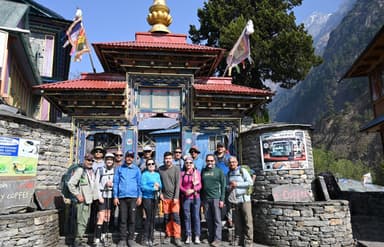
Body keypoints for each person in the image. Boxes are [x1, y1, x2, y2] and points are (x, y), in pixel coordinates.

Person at [67, 153, 99, 247]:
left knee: (84, 220)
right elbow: (71, 184)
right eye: (88, 160)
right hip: (82, 200)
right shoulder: (80, 170)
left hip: (89, 200)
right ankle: (77, 242)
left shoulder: (91, 171)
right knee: (82, 221)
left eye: (92, 160)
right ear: (84, 160)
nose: (90, 162)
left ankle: (79, 240)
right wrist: (77, 195)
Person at [113, 151, 142, 247]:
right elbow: (116, 183)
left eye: (131, 157)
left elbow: (139, 184)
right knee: (123, 219)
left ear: (133, 158)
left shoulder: (136, 169)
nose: (129, 158)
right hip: (122, 197)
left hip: (133, 197)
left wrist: (140, 196)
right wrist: (115, 196)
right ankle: (122, 239)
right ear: (125, 158)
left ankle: (130, 239)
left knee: (132, 219)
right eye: (128, 156)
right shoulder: (119, 169)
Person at [227, 156, 254, 247]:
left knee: (247, 221)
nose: (232, 164)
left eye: (233, 162)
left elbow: (250, 182)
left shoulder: (242, 171)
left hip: (244, 199)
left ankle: (248, 242)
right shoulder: (229, 173)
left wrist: (237, 184)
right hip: (235, 200)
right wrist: (229, 187)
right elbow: (228, 186)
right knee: (237, 222)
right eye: (230, 162)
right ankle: (239, 240)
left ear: (237, 162)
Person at [201, 154, 226, 247]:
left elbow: (223, 186)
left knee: (217, 220)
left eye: (211, 161)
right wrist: (202, 199)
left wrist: (222, 199)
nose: (210, 162)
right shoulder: (203, 171)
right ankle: (210, 238)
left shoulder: (219, 171)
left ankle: (217, 239)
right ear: (206, 161)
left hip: (216, 198)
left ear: (214, 161)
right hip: (206, 199)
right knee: (208, 219)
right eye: (208, 160)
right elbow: (202, 186)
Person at [158, 151, 182, 247]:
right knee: (167, 218)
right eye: (166, 158)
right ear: (164, 159)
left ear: (172, 159)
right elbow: (157, 182)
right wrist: (160, 193)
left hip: (174, 198)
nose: (168, 160)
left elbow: (178, 184)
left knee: (176, 218)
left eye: (169, 158)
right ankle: (169, 235)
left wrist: (176, 197)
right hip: (165, 198)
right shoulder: (160, 169)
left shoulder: (176, 169)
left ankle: (177, 237)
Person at [94, 152, 115, 246]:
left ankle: (103, 236)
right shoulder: (100, 170)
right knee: (101, 217)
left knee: (107, 217)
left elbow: (117, 183)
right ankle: (97, 239)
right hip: (103, 195)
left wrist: (112, 185)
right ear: (105, 161)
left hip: (111, 196)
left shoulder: (115, 170)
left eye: (111, 159)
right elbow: (96, 183)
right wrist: (99, 196)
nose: (109, 161)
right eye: (107, 159)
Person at [180, 157, 202, 244]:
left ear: (193, 164)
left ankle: (197, 235)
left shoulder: (197, 173)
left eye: (190, 163)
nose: (188, 164)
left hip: (196, 197)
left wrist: (193, 190)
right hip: (186, 197)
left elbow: (200, 185)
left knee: (196, 216)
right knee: (187, 217)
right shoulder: (182, 174)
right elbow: (180, 185)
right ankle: (188, 235)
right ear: (185, 164)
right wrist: (185, 191)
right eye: (187, 163)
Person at [141, 159, 162, 247]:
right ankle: (146, 238)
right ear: (146, 165)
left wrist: (158, 186)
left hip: (155, 198)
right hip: (147, 198)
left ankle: (151, 238)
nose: (151, 165)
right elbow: (143, 186)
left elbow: (160, 185)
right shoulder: (144, 174)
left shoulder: (157, 174)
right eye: (149, 164)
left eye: (152, 163)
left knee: (153, 218)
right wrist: (153, 188)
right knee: (148, 218)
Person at [214, 142, 232, 227]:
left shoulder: (228, 157)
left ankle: (229, 219)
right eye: (218, 147)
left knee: (228, 201)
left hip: (227, 182)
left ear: (224, 148)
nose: (220, 148)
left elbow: (233, 166)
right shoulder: (214, 158)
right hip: (217, 183)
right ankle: (220, 219)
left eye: (221, 147)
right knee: (219, 202)